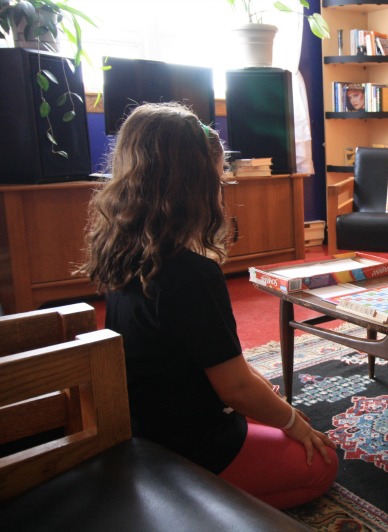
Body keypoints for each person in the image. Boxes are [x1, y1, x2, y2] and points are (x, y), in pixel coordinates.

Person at [78, 102, 338, 508]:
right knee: (320, 465)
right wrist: (288, 420)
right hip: (188, 442)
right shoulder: (192, 274)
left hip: (147, 423)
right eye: (220, 179)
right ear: (197, 185)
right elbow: (233, 386)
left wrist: (263, 395)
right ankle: (189, 498)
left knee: (266, 406)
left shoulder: (122, 250)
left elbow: (215, 353)